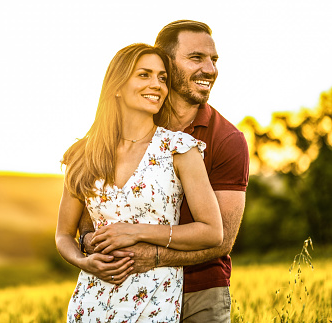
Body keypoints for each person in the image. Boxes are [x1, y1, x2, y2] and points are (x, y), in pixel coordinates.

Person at [79, 20, 250, 322]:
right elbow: (89, 211)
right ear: (166, 63)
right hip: (122, 290)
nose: (210, 69)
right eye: (196, 58)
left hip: (201, 293)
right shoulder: (126, 129)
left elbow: (221, 239)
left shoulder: (227, 140)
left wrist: (152, 256)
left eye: (214, 60)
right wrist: (87, 242)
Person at [55, 43, 224, 322]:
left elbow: (211, 232)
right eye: (144, 75)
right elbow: (63, 234)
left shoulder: (180, 149)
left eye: (162, 78)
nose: (156, 85)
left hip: (155, 300)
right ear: (117, 86)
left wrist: (136, 232)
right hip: (91, 302)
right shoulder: (84, 154)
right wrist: (85, 262)